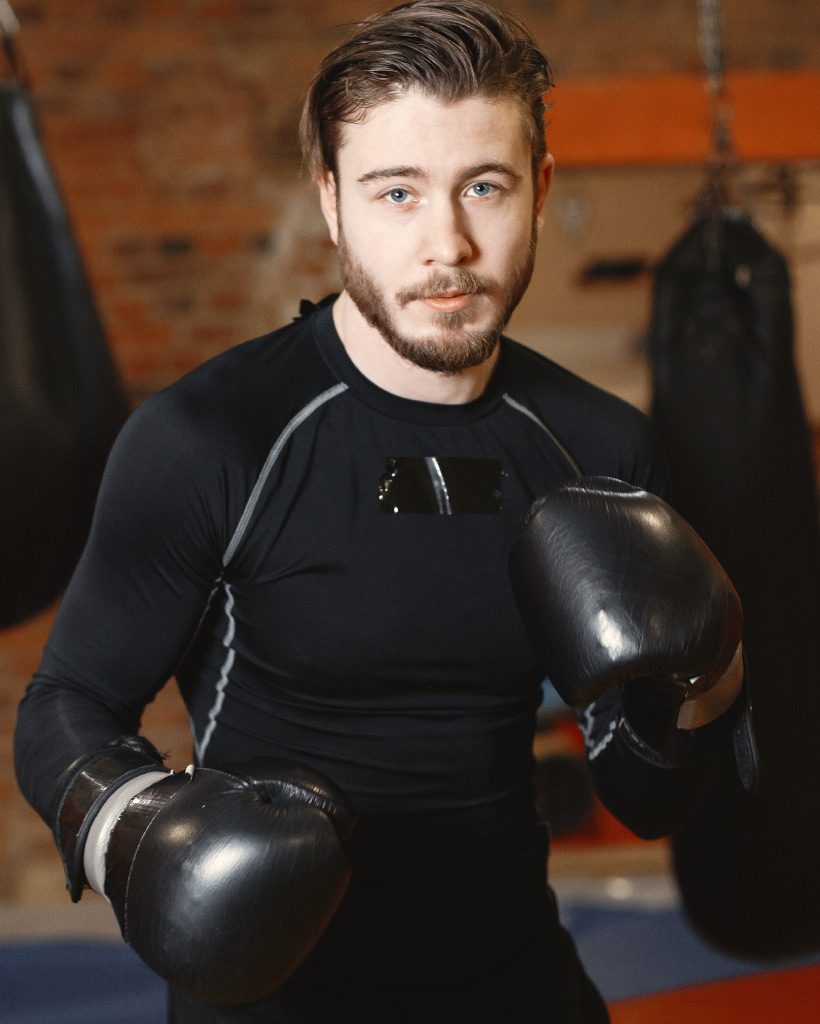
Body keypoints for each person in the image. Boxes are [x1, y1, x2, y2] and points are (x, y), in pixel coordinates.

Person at [14, 3, 751, 1022]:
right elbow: (64, 705)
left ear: (537, 190)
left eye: (482, 186)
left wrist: (713, 668)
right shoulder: (212, 439)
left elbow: (651, 797)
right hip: (273, 998)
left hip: (516, 984)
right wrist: (138, 827)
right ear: (331, 202)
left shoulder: (595, 447)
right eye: (395, 191)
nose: (445, 244)